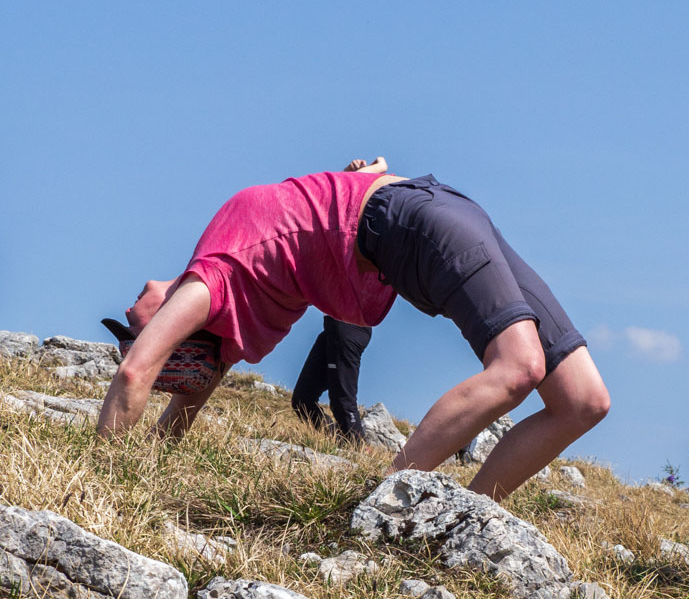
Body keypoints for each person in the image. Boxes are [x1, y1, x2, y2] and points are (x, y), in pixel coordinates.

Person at [98, 157, 609, 500]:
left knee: (584, 402)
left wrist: (364, 171)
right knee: (523, 370)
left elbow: (308, 205)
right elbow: (138, 373)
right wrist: (109, 479)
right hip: (422, 221)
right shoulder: (212, 287)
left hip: (426, 206)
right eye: (133, 325)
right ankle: (433, 513)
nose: (130, 311)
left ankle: (426, 516)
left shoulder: (218, 275)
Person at [291, 317, 372, 442]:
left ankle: (360, 449)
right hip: (332, 327)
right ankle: (337, 440)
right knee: (302, 399)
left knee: (342, 401)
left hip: (348, 328)